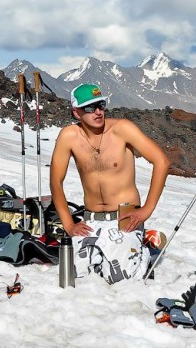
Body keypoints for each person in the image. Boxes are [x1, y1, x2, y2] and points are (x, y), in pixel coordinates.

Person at [50, 83, 170, 284]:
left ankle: (145, 250)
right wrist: (69, 225)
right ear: (77, 112)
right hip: (91, 219)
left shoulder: (122, 129)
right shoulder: (69, 136)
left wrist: (146, 210)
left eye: (101, 105)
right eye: (90, 108)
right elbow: (55, 181)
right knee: (73, 275)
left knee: (119, 278)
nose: (98, 112)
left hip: (125, 217)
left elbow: (162, 161)